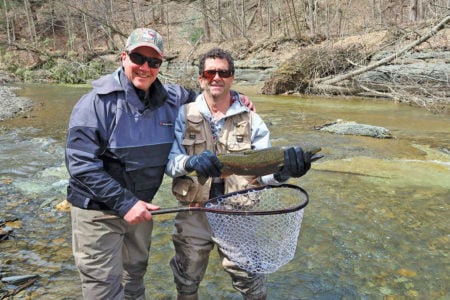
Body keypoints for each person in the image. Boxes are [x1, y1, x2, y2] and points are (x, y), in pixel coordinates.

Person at [65, 29, 253, 300]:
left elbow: (209, 95)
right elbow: (80, 165)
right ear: (123, 57)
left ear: (160, 65)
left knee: (134, 276)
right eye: (138, 58)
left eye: (153, 62)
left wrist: (237, 97)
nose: (145, 67)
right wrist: (125, 204)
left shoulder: (173, 98)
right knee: (103, 288)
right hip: (98, 211)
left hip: (142, 208)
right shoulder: (94, 104)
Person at [165, 48, 314, 300]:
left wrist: (284, 172)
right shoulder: (183, 114)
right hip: (194, 211)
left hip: (238, 214)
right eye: (210, 72)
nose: (216, 77)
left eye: (223, 72)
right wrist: (191, 162)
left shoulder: (252, 119)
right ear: (201, 78)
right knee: (186, 280)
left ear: (232, 78)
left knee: (251, 283)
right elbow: (170, 164)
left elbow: (263, 176)